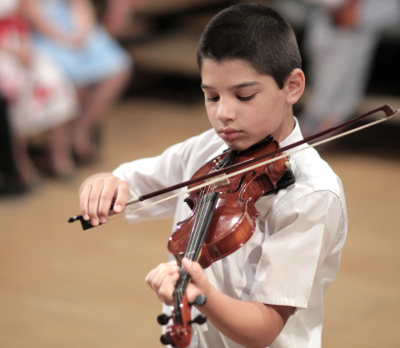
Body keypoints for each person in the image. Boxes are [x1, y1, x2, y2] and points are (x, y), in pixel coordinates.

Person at [78, 4, 347, 347]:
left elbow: (264, 329)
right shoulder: (209, 149)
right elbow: (129, 182)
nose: (224, 114)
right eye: (211, 96)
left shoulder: (312, 194)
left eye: (244, 95)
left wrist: (203, 295)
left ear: (292, 87)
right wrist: (103, 183)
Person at [24, 0, 133, 163]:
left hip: (73, 30)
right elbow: (32, 16)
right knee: (71, 84)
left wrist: (81, 32)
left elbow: (80, 5)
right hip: (45, 37)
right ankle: (60, 149)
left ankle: (82, 128)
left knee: (119, 65)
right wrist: (65, 38)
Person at [0, 0, 79, 182]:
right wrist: (11, 49)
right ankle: (18, 162)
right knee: (15, 88)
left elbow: (21, 16)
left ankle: (59, 155)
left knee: (53, 79)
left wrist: (24, 45)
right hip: (4, 50)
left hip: (19, 40)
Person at [299, 0, 400, 137]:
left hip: (378, 8)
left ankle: (319, 117)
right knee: (339, 34)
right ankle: (327, 117)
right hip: (326, 14)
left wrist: (354, 7)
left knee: (354, 31)